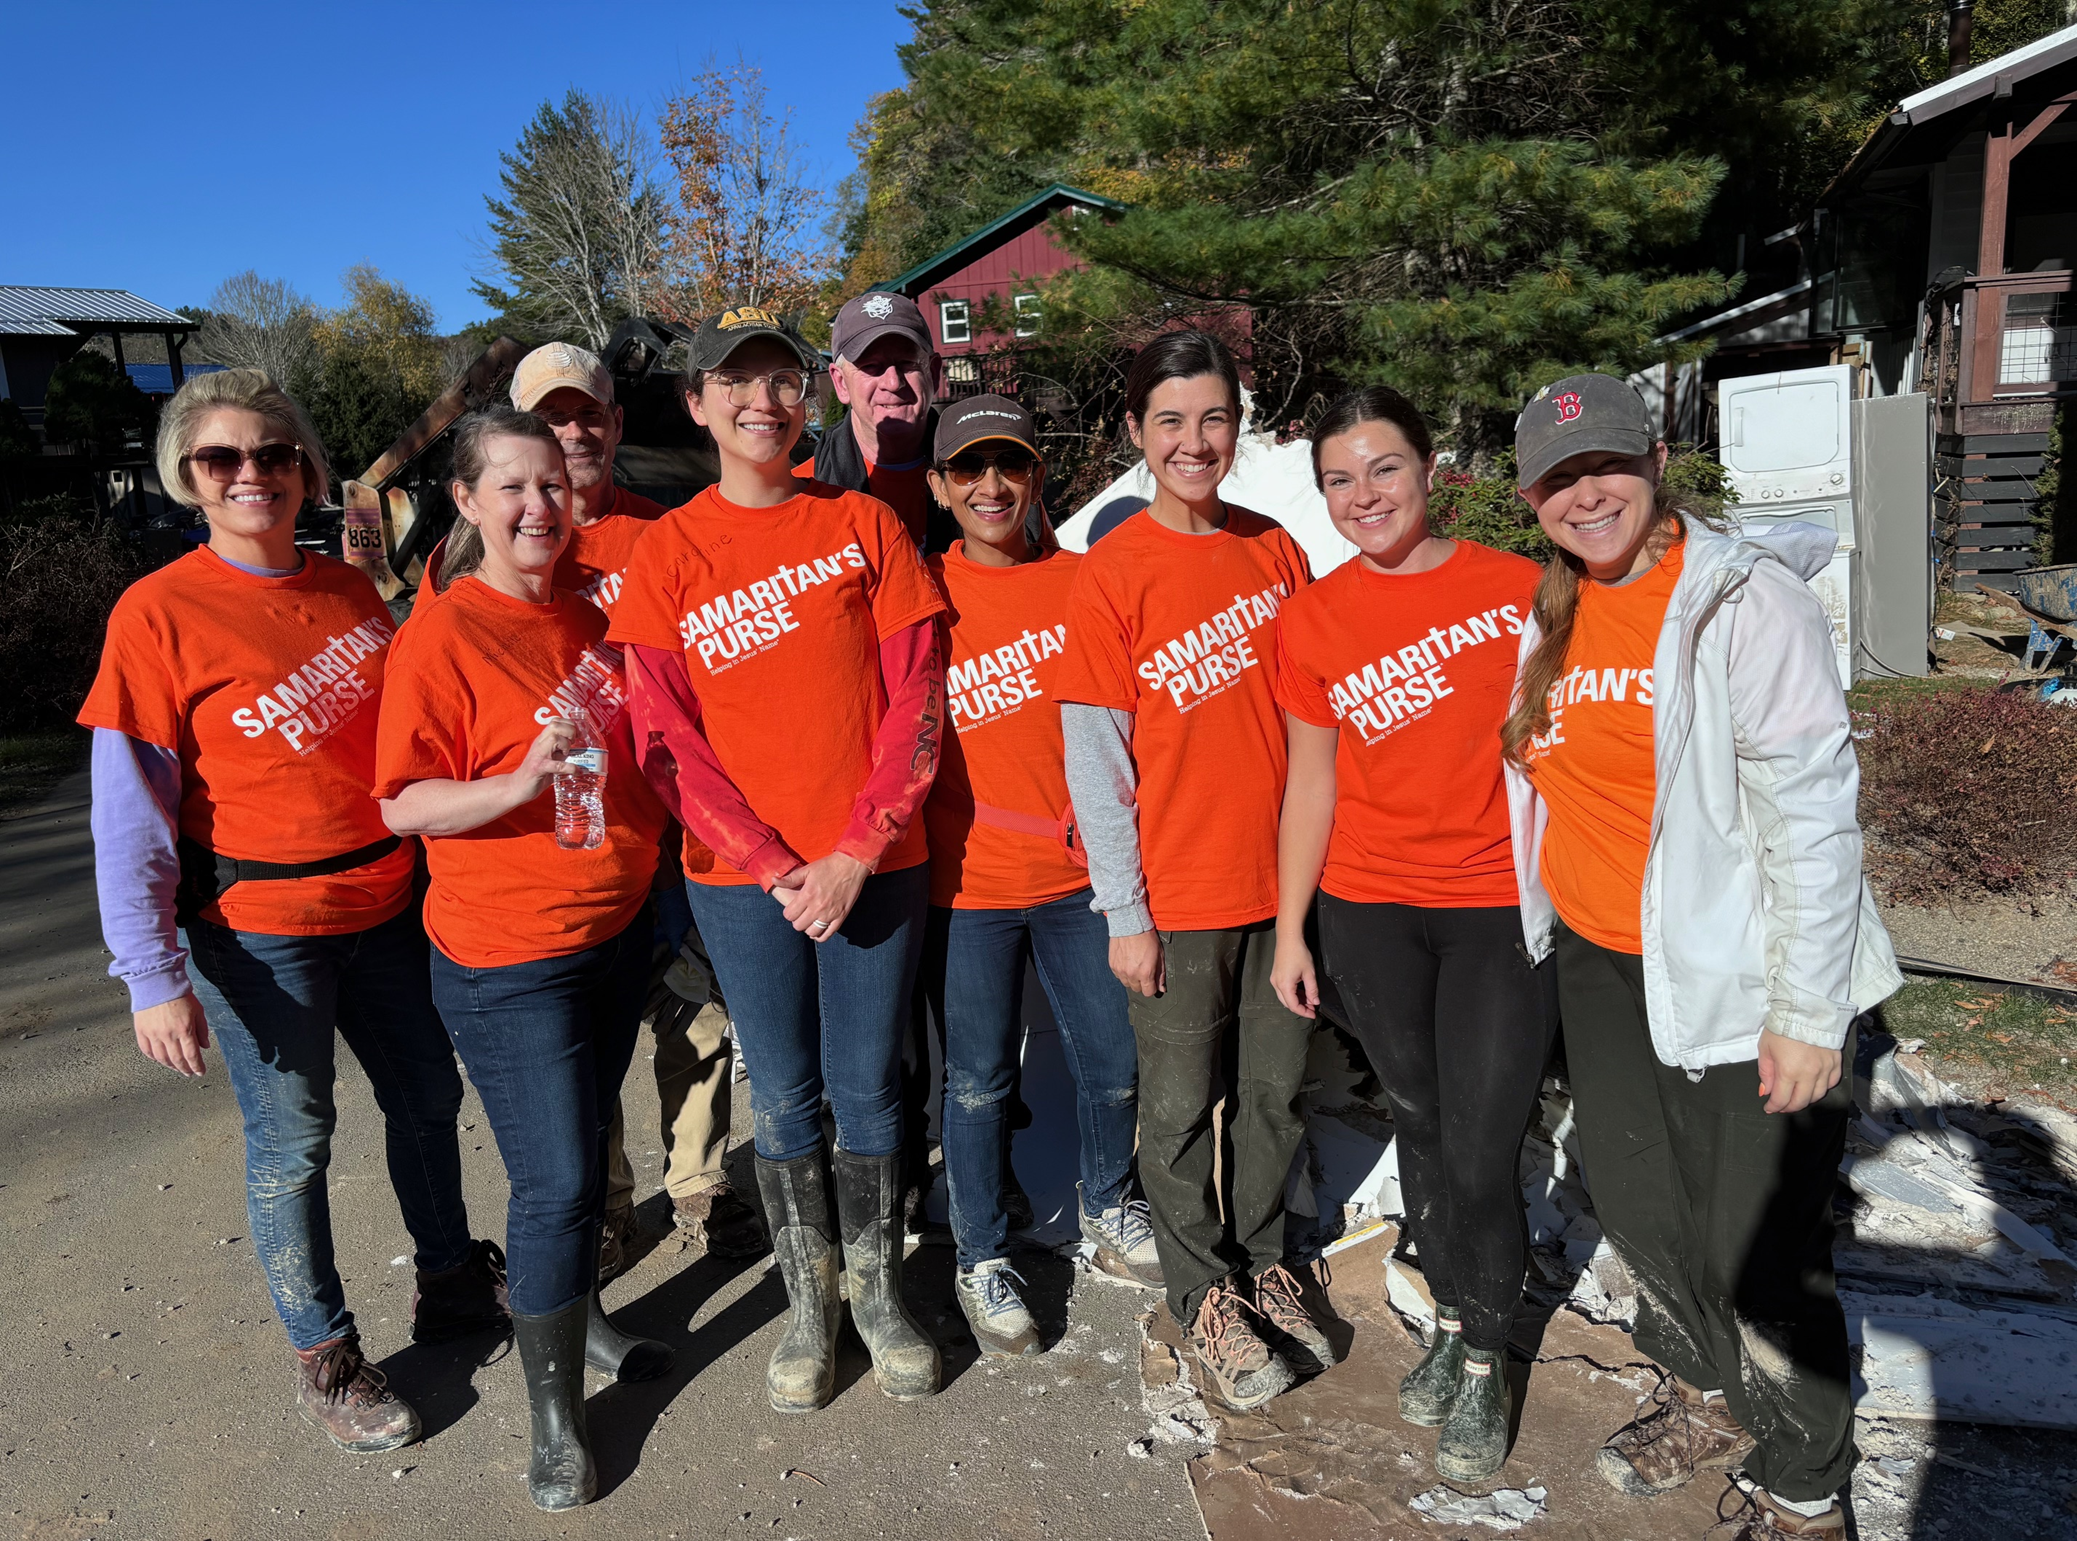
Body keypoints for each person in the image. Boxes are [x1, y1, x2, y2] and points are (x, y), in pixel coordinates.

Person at [1501, 374, 1901, 1539]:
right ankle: (1712, 1394)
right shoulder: (1553, 611)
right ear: (1532, 496)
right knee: (1644, 1206)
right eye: (1560, 478)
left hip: (1738, 974)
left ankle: (1807, 1488)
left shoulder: (1736, 598)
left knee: (1757, 1242)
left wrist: (1809, 1009)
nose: (1588, 495)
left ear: (1659, 455)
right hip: (1601, 962)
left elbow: (1813, 811)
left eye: (1608, 465)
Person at [79, 368, 506, 1456]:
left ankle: (452, 1280)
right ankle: (325, 1353)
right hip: (259, 929)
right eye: (222, 458)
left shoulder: (349, 592)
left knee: (423, 1094)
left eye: (274, 452)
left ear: (308, 468)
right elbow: (128, 814)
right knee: (293, 1142)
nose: (252, 473)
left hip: (388, 902)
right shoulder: (156, 613)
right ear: (188, 478)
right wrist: (151, 974)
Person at [609, 304, 948, 1413]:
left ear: (809, 399)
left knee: (870, 1088)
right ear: (697, 404)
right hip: (743, 884)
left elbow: (917, 702)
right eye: (735, 384)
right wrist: (766, 860)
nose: (763, 400)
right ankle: (811, 1308)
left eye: (782, 380)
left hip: (873, 867)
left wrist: (856, 849)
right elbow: (664, 738)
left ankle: (879, 1297)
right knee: (789, 1098)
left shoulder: (864, 527)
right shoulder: (669, 550)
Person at [375, 406, 674, 1512]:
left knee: (590, 1146)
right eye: (512, 486)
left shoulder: (593, 609)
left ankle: (585, 1321)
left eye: (554, 484)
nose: (539, 506)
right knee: (551, 1183)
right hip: (510, 956)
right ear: (464, 501)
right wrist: (513, 783)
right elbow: (403, 801)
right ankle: (554, 1414)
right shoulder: (442, 633)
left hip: (614, 927)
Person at [1269, 386, 1549, 1483]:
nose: (1363, 495)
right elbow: (1310, 778)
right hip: (1369, 911)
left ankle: (1489, 1352)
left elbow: (1572, 747)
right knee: (1424, 1123)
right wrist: (1293, 927)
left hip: (1493, 909)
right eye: (1339, 478)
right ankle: (1456, 1321)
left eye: (1383, 467)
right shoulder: (1313, 619)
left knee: (1483, 1145)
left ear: (1431, 468)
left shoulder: (1518, 589)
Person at [1055, 329, 1331, 1412]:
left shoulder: (1273, 550)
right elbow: (1095, 757)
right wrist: (1124, 908)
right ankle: (1200, 1289)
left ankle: (1263, 1256)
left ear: (1238, 424)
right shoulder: (1108, 575)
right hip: (1176, 895)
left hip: (1282, 890)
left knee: (1270, 1094)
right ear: (1135, 432)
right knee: (1174, 1109)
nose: (1193, 440)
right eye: (1169, 420)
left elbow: (1311, 719)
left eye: (1213, 417)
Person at [506, 340, 766, 1270]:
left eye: (589, 414)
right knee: (585, 1027)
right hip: (565, 830)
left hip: (674, 825)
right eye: (551, 417)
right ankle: (609, 1197)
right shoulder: (488, 550)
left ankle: (698, 1180)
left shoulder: (671, 532)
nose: (572, 432)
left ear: (617, 424)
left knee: (696, 1014)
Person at [915, 394, 1163, 1358]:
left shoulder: (1084, 582)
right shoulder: (918, 590)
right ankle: (980, 1250)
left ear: (1036, 475)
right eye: (967, 469)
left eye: (1007, 465)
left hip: (1076, 878)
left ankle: (1109, 1202)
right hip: (964, 885)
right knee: (975, 1082)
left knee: (1110, 1061)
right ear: (938, 486)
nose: (989, 486)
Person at [797, 291, 948, 551]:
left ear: (933, 373)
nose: (893, 382)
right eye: (871, 366)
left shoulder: (985, 481)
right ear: (841, 383)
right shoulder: (802, 493)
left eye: (907, 363)